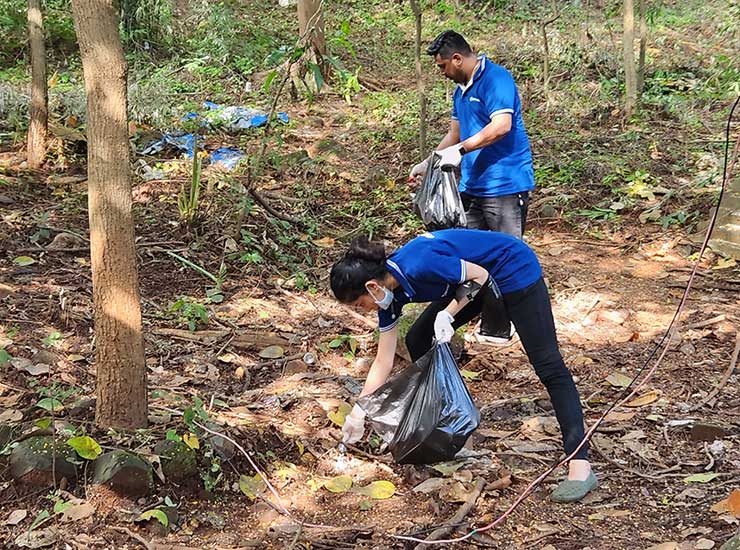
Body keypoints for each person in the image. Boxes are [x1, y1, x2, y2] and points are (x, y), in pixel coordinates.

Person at [330, 229, 597, 503]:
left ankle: (580, 464)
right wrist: (359, 412)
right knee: (418, 338)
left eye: (359, 305)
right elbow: (383, 359)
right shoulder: (388, 297)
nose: (364, 310)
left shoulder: (420, 264)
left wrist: (447, 315)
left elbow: (480, 275)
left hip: (512, 268)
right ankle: (454, 434)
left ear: (372, 287)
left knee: (549, 366)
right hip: (473, 284)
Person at [409, 30, 535, 344]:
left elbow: (501, 126)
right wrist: (430, 162)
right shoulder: (460, 92)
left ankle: (501, 328)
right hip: (473, 186)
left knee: (506, 256)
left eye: (442, 66)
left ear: (457, 58)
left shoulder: (497, 79)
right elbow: (455, 133)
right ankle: (460, 318)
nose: (441, 72)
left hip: (506, 184)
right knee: (469, 256)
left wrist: (461, 151)